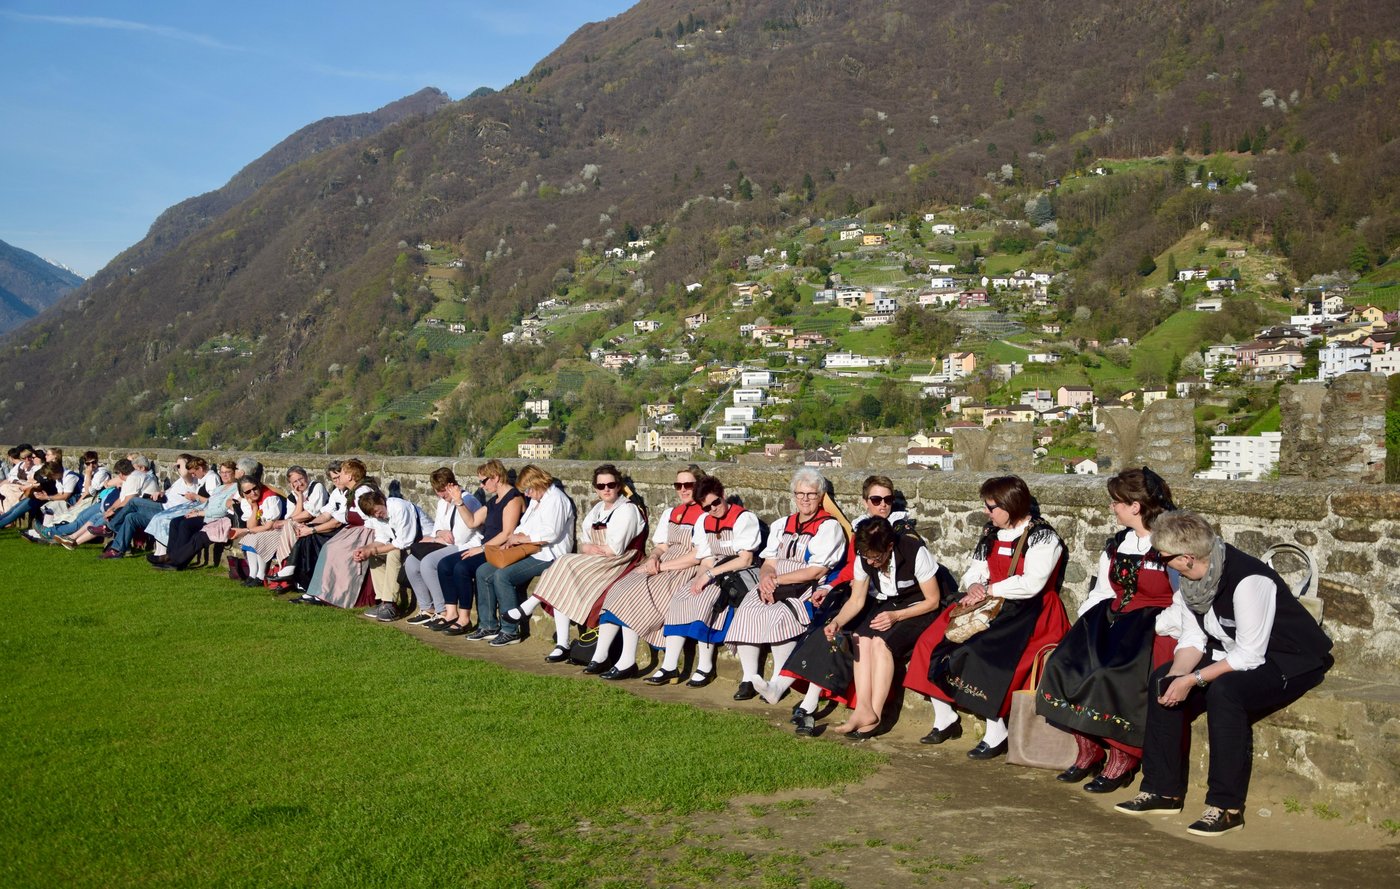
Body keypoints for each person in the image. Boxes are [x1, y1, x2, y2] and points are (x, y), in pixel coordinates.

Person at [1114, 510, 1333, 836]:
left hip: (1289, 658)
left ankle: (1226, 808)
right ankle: (1163, 791)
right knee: (1163, 679)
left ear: (1187, 557)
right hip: (1233, 651)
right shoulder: (1190, 580)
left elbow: (1249, 655)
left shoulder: (1247, 580)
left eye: (1164, 557)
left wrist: (1193, 680)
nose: (1161, 563)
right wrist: (1178, 676)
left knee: (1226, 693)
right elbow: (1194, 638)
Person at [904, 475, 1070, 759]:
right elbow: (976, 569)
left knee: (984, 655)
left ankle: (997, 730)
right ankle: (944, 717)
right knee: (930, 640)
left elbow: (1032, 583)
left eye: (991, 506)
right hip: (989, 602)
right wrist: (975, 585)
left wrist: (990, 589)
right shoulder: (992, 532)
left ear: (1010, 505)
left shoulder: (1043, 537)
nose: (986, 512)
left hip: (1029, 610)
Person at [1036, 467, 1180, 793]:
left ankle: (1123, 755)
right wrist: (1083, 631)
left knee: (1109, 673)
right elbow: (1103, 591)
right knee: (1064, 662)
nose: (1112, 508)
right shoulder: (1119, 543)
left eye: (1117, 502)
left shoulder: (1168, 543)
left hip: (1154, 625)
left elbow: (1183, 599)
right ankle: (1089, 746)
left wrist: (1159, 625)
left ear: (1136, 505)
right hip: (1112, 617)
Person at [761, 474, 920, 733]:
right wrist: (829, 586)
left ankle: (808, 702)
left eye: (888, 500)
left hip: (883, 599)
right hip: (858, 592)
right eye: (876, 499)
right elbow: (851, 567)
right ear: (865, 501)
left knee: (842, 635)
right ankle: (799, 695)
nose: (883, 505)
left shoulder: (900, 531)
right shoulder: (861, 529)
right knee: (825, 629)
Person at [818, 517, 947, 738]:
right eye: (866, 557)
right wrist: (837, 621)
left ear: (889, 546)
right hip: (891, 605)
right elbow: (857, 600)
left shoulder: (914, 551)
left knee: (880, 643)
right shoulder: (865, 558)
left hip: (921, 608)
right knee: (860, 637)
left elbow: (933, 600)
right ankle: (862, 709)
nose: (871, 562)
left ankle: (875, 715)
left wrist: (897, 616)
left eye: (876, 557)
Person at [727, 467, 847, 702]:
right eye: (800, 494)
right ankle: (749, 677)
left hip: (804, 585)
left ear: (821, 496)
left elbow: (817, 569)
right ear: (793, 495)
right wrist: (765, 578)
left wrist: (778, 580)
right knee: (747, 610)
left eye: (811, 494)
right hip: (774, 581)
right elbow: (769, 561)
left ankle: (776, 682)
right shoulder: (783, 524)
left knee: (781, 614)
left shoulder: (828, 527)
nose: (805, 499)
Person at [512, 464, 644, 664]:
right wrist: (590, 548)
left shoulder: (627, 510)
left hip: (618, 562)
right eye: (601, 486)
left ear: (618, 486)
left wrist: (591, 548)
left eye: (611, 484)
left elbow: (614, 550)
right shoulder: (598, 509)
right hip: (598, 558)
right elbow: (584, 543)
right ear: (595, 489)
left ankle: (531, 607)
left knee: (564, 563)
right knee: (562, 575)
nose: (606, 489)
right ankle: (561, 643)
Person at [587, 465, 707, 680]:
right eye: (678, 485)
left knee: (640, 592)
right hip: (663, 561)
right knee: (622, 586)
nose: (683, 490)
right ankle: (601, 655)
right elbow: (661, 546)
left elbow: (697, 555)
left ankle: (626, 660)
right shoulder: (672, 512)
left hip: (684, 567)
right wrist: (653, 558)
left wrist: (662, 567)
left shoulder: (705, 515)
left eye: (688, 485)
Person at [647, 475, 761, 687]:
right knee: (683, 596)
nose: (713, 509)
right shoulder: (705, 521)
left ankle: (705, 665)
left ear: (723, 496)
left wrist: (710, 575)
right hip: (716, 569)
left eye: (716, 503)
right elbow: (707, 558)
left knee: (705, 601)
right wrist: (700, 577)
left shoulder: (743, 518)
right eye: (707, 507)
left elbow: (745, 559)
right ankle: (670, 664)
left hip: (735, 571)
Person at [474, 465, 575, 647]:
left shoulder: (556, 500)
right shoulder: (538, 499)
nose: (527, 495)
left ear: (537, 483)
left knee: (503, 576)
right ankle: (488, 625)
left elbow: (551, 534)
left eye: (528, 490)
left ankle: (510, 630)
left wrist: (521, 538)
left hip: (549, 555)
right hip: (529, 548)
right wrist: (512, 539)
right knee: (483, 572)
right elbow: (525, 523)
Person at [439, 460, 523, 638]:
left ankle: (467, 619)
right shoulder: (494, 501)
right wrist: (459, 502)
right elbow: (472, 522)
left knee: (462, 568)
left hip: (499, 549)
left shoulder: (513, 499)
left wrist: (482, 548)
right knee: (445, 565)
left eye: (484, 481)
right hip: (487, 547)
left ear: (496, 477)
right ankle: (452, 613)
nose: (482, 485)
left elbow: (507, 533)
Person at [403, 467, 483, 626]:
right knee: (411, 563)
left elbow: (460, 536)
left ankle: (443, 610)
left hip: (465, 545)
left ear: (452, 485)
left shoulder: (468, 501)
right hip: (446, 543)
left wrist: (438, 538)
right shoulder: (442, 503)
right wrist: (439, 533)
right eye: (437, 491)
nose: (441, 495)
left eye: (444, 491)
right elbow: (437, 528)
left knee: (428, 563)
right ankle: (427, 608)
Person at [355, 489, 422, 621]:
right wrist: (365, 549)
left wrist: (374, 550)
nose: (377, 515)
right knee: (373, 556)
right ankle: (382, 602)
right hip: (406, 545)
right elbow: (381, 539)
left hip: (421, 543)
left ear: (381, 501)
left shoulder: (399, 508)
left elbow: (403, 542)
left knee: (393, 554)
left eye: (377, 510)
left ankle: (390, 604)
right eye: (373, 514)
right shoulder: (378, 516)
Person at [227, 478, 286, 586]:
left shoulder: (270, 498)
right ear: (242, 493)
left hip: (277, 529)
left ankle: (261, 575)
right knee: (249, 538)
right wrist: (254, 507)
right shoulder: (247, 501)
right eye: (248, 491)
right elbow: (251, 525)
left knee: (258, 538)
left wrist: (246, 530)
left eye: (255, 489)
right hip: (262, 528)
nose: (253, 493)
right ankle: (252, 574)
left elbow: (269, 525)